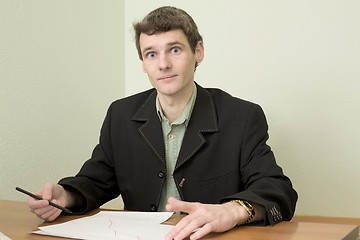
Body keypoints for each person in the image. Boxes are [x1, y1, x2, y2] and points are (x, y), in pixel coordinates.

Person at [27, 6, 298, 240]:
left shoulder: (241, 117)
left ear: (198, 51)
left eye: (175, 49)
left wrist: (232, 210)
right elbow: (96, 181)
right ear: (144, 64)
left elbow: (278, 190)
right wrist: (66, 196)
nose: (163, 64)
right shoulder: (120, 115)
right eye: (151, 54)